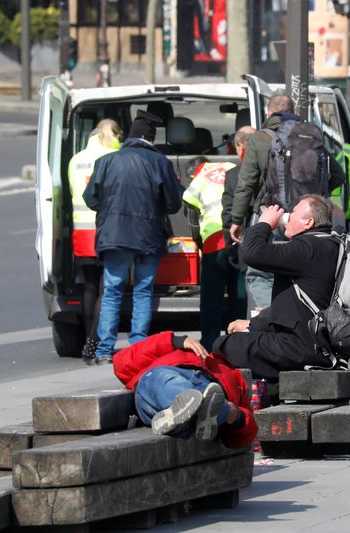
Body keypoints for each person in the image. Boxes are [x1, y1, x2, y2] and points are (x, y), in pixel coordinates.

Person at [83, 110, 182, 364]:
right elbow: (173, 204)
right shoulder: (160, 163)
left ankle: (105, 350)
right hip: (148, 238)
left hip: (114, 237)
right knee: (143, 291)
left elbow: (90, 198)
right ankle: (137, 347)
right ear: (150, 138)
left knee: (113, 291)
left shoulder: (106, 161)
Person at [229, 95, 344, 311]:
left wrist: (236, 219)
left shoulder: (260, 139)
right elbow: (338, 175)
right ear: (294, 111)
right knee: (299, 270)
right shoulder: (310, 136)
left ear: (269, 113)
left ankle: (263, 317)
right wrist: (315, 196)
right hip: (307, 220)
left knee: (259, 272)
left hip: (272, 214)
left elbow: (246, 184)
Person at [213, 195, 341, 379]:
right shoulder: (330, 243)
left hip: (302, 347)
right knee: (247, 341)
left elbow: (253, 253)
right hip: (319, 342)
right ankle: (273, 389)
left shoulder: (306, 248)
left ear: (308, 222)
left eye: (293, 214)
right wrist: (254, 324)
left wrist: (264, 223)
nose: (287, 219)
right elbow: (293, 309)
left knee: (225, 345)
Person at [112, 330, 257, 446]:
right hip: (158, 386)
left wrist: (237, 415)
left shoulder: (235, 379)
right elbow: (121, 364)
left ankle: (190, 415)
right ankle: (200, 408)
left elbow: (248, 434)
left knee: (212, 396)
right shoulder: (180, 350)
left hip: (209, 390)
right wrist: (175, 341)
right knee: (163, 378)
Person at [67, 119, 122, 358]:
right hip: (107, 229)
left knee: (90, 287)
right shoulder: (114, 155)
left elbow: (72, 191)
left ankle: (89, 340)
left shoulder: (76, 159)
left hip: (82, 230)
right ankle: (93, 339)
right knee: (106, 289)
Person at [182, 155, 246, 351]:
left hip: (214, 239)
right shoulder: (233, 167)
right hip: (239, 236)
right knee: (239, 292)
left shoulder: (202, 175)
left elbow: (189, 201)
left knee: (211, 295)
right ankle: (237, 341)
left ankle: (209, 343)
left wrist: (197, 241)